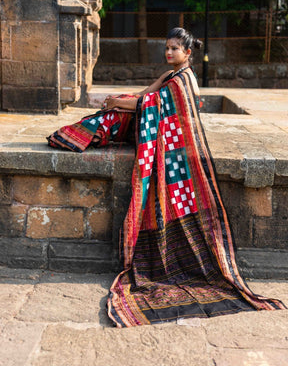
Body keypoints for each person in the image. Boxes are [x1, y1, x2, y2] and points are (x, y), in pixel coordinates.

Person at [47, 27, 286, 327]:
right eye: (167, 47)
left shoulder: (184, 80)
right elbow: (147, 94)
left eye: (175, 48)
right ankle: (74, 136)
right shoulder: (171, 76)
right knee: (111, 114)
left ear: (188, 53)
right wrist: (122, 99)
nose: (169, 52)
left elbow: (151, 105)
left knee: (112, 115)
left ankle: (78, 137)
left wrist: (118, 103)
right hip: (160, 135)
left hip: (173, 146)